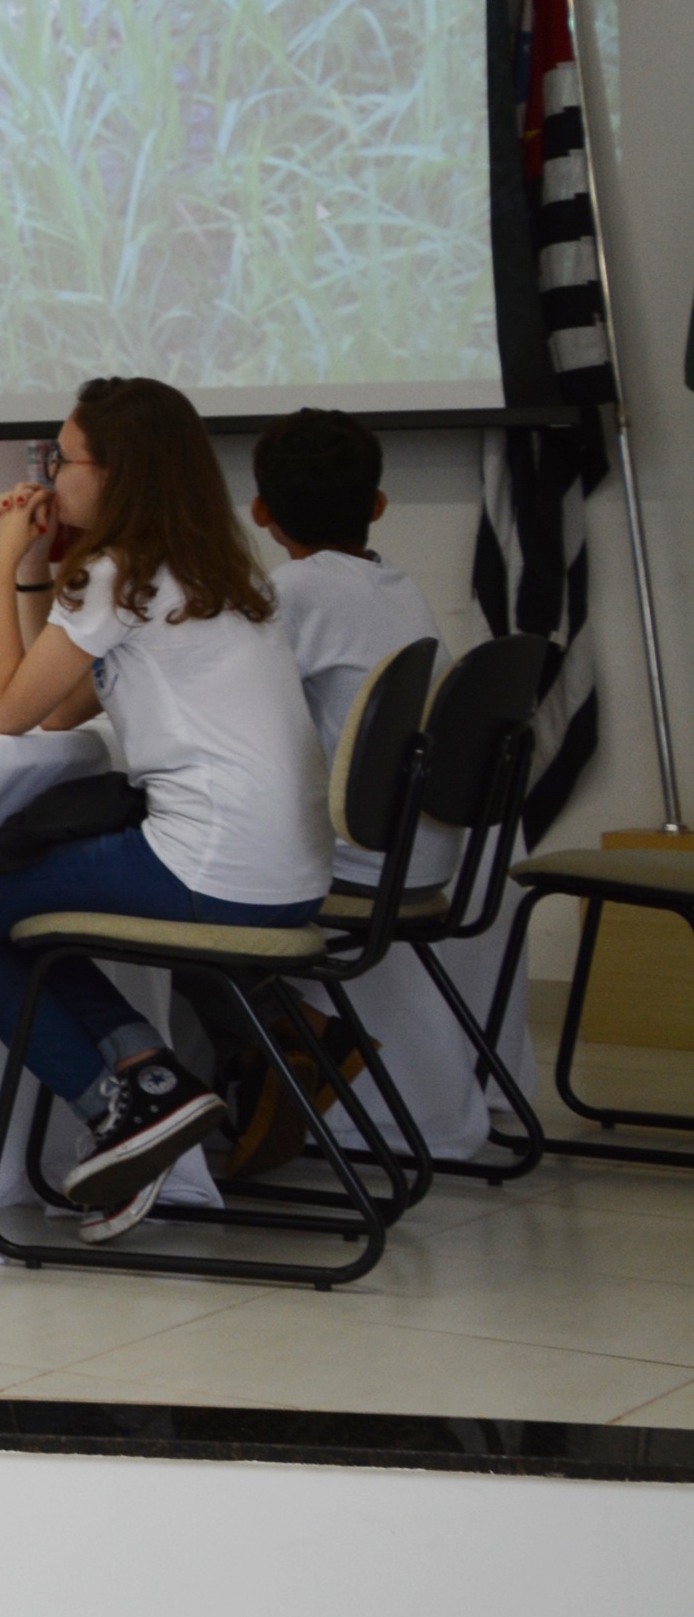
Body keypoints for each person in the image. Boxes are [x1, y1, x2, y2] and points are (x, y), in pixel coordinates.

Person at [0, 376, 329, 1241]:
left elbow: (10, 712)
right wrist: (35, 571)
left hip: (210, 868)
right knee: (8, 900)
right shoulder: (208, 569)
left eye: (66, 459)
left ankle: (119, 1101)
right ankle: (147, 1073)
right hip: (284, 876)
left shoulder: (118, 571)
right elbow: (61, 707)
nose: (51, 477)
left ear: (117, 473)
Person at [248, 406, 478, 1163]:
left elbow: (239, 712)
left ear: (260, 513)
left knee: (179, 870)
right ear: (378, 505)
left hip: (359, 863)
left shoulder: (294, 590)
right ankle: (284, 1046)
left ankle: (292, 1035)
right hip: (423, 854)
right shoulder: (396, 584)